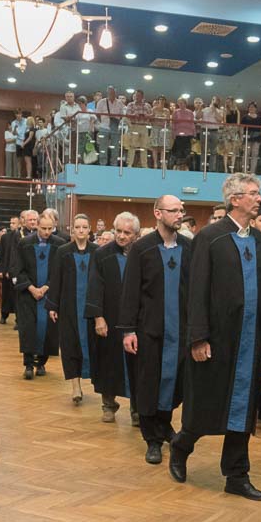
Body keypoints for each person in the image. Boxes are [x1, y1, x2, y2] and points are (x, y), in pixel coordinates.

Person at [169, 173, 261, 500]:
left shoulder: (259, 240)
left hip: (250, 340)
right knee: (206, 404)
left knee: (243, 410)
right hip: (217, 339)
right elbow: (196, 290)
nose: (259, 199)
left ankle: (236, 474)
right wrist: (198, 337)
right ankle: (181, 446)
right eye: (253, 193)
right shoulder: (210, 238)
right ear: (235, 199)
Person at [118, 195, 191, 465]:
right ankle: (152, 439)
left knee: (173, 382)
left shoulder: (189, 247)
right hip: (149, 329)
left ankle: (164, 424)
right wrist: (128, 330)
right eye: (174, 210)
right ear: (158, 213)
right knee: (149, 382)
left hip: (179, 329)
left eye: (181, 210)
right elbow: (130, 291)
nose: (180, 215)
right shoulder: (142, 248)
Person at [86, 212, 141, 426]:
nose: (121, 236)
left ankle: (137, 409)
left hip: (136, 320)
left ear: (136, 234)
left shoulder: (142, 252)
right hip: (109, 317)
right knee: (107, 362)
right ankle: (108, 405)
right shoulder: (102, 254)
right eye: (118, 231)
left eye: (127, 232)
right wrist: (98, 317)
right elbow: (94, 286)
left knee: (137, 365)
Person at [47, 214, 98, 403]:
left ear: (89, 229)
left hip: (91, 308)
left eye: (84, 227)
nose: (81, 230)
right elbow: (56, 278)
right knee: (69, 345)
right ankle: (76, 386)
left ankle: (99, 384)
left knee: (95, 346)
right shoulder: (63, 251)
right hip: (68, 306)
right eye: (78, 227)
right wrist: (53, 305)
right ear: (73, 230)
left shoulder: (97, 251)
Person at [11, 210, 65, 378]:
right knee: (28, 329)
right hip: (28, 295)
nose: (47, 232)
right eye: (43, 228)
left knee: (47, 330)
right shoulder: (24, 243)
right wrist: (31, 288)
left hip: (49, 295)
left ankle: (41, 363)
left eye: (50, 228)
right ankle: (28, 364)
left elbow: (60, 271)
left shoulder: (60, 245)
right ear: (37, 226)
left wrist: (47, 287)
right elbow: (17, 268)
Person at [0, 215, 24, 324]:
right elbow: (1, 255)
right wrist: (1, 270)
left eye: (14, 223)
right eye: (10, 223)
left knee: (17, 297)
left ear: (19, 224)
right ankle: (4, 316)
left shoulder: (22, 237)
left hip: (18, 272)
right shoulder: (5, 237)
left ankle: (18, 319)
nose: (11, 225)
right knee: (6, 295)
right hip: (6, 270)